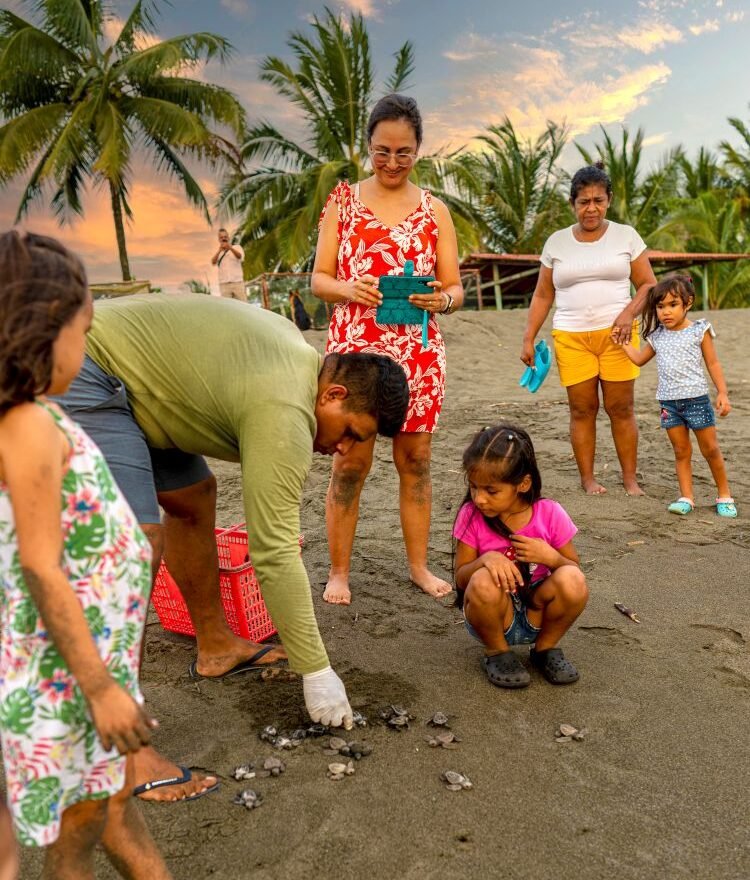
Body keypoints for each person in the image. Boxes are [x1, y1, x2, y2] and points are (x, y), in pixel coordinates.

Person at [52, 292, 409, 802]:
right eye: (353, 432)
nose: (345, 449)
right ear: (331, 395)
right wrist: (317, 670)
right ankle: (117, 743)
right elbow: (274, 549)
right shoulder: (287, 406)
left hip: (141, 391)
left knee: (194, 498)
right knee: (135, 541)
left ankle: (216, 646)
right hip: (82, 366)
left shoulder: (297, 362)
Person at [0, 232, 171, 877]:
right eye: (84, 330)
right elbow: (41, 564)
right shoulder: (28, 425)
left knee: (94, 807)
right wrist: (99, 688)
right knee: (77, 817)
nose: (87, 346)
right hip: (67, 673)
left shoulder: (38, 414)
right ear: (44, 332)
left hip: (88, 657)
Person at [312, 92, 464, 605]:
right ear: (368, 147)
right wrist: (347, 288)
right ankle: (338, 571)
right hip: (355, 355)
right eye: (382, 151)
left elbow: (455, 288)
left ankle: (419, 567)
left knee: (416, 460)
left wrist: (440, 300)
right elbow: (318, 279)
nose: (392, 162)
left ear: (418, 149)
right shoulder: (343, 202)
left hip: (417, 353)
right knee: (349, 461)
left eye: (403, 152)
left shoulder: (435, 211)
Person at [521, 163, 656, 496]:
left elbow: (648, 285)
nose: (591, 208)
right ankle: (588, 479)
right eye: (584, 201)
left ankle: (629, 479)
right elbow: (542, 294)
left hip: (619, 337)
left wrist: (627, 314)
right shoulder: (556, 243)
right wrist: (528, 337)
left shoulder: (626, 236)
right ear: (573, 204)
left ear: (608, 200)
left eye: (598, 200)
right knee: (582, 410)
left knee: (620, 408)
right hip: (572, 337)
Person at [453, 424, 589, 689]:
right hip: (493, 614)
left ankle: (545, 649)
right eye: (474, 487)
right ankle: (496, 652)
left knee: (573, 579)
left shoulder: (549, 513)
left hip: (537, 610)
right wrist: (485, 560)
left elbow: (573, 568)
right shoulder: (471, 516)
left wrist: (551, 557)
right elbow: (461, 579)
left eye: (491, 491)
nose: (479, 499)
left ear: (523, 484)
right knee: (482, 580)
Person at [618, 275, 736, 517]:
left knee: (711, 449)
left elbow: (713, 364)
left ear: (688, 303)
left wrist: (722, 392)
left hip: (697, 401)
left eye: (673, 305)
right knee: (681, 451)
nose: (665, 312)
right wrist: (623, 344)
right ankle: (686, 497)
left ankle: (724, 495)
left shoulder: (698, 331)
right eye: (660, 307)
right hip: (669, 404)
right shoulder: (658, 336)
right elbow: (639, 359)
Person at [211, 227, 246, 300]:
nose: (224, 239)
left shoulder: (237, 247)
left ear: (228, 238)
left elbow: (239, 256)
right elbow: (213, 262)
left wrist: (230, 248)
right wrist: (219, 250)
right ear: (219, 239)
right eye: (221, 237)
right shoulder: (218, 252)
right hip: (224, 285)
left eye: (225, 237)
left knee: (243, 305)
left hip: (237, 283)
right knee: (228, 307)